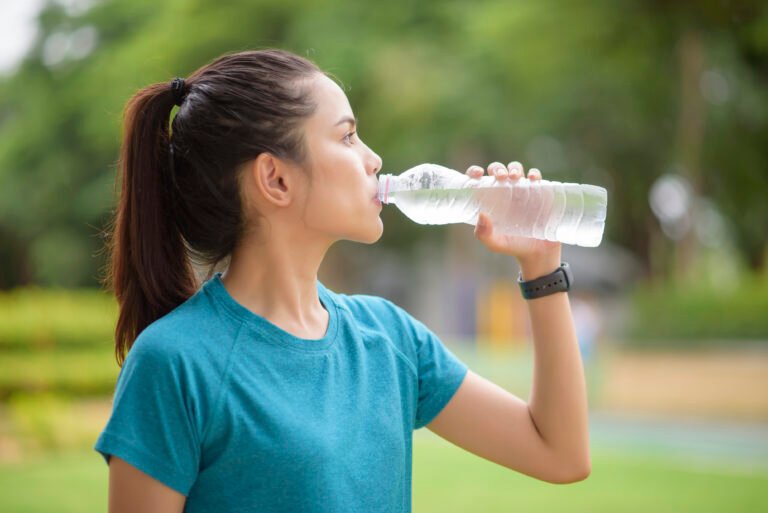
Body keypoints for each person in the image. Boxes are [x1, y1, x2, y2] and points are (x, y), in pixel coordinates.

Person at [94, 48, 590, 513]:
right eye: (347, 136)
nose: (373, 159)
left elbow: (560, 454)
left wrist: (541, 266)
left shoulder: (391, 338)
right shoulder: (174, 363)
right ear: (276, 179)